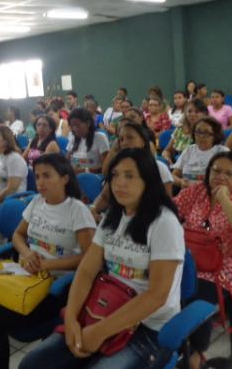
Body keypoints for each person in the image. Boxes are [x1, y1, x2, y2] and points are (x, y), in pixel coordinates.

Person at [19, 148, 185, 369]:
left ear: (148, 180)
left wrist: (99, 332)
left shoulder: (164, 223)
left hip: (148, 326)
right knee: (32, 363)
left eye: (129, 176)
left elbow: (157, 295)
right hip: (104, 308)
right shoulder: (111, 219)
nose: (119, 183)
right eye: (115, 175)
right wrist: (71, 318)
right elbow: (86, 271)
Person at [0, 153, 96, 369]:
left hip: (56, 288)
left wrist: (47, 265)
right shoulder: (37, 202)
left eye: (47, 176)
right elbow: (18, 235)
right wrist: (26, 254)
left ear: (64, 178)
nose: (41, 182)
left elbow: (89, 258)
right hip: (27, 278)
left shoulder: (77, 210)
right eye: (37, 176)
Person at [175, 152, 232, 369]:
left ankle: (196, 353)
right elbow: (170, 210)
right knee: (162, 287)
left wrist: (224, 200)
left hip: (228, 266)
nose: (220, 176)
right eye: (216, 170)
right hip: (190, 259)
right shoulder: (196, 192)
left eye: (229, 174)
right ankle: (172, 345)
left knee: (194, 294)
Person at [95, 122, 174, 221]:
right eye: (121, 139)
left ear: (143, 141)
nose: (124, 143)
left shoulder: (159, 167)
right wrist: (92, 211)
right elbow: (104, 197)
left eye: (130, 137)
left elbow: (166, 204)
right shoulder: (118, 167)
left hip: (148, 220)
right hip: (118, 217)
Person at [172, 117, 229, 189]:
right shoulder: (189, 150)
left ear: (215, 135)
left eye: (206, 133)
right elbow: (173, 175)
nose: (201, 136)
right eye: (198, 132)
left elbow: (228, 179)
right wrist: (180, 182)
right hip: (188, 192)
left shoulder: (222, 152)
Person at [162, 99, 208, 164]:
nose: (192, 114)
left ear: (204, 113)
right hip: (177, 164)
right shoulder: (179, 130)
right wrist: (167, 158)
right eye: (189, 111)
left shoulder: (208, 132)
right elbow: (167, 151)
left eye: (197, 112)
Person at [66, 108, 110, 174]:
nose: (75, 129)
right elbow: (66, 161)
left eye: (77, 125)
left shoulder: (100, 138)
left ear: (88, 123)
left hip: (92, 179)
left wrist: (84, 171)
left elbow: (106, 167)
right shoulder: (73, 138)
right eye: (72, 126)